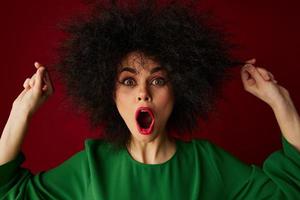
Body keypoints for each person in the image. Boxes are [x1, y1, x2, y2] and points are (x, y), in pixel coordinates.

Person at [0, 0, 300, 199]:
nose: (143, 92)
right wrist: (21, 111)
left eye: (157, 80)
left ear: (179, 88)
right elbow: (8, 192)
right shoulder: (92, 167)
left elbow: (289, 192)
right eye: (128, 81)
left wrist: (281, 101)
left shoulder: (206, 164)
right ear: (110, 92)